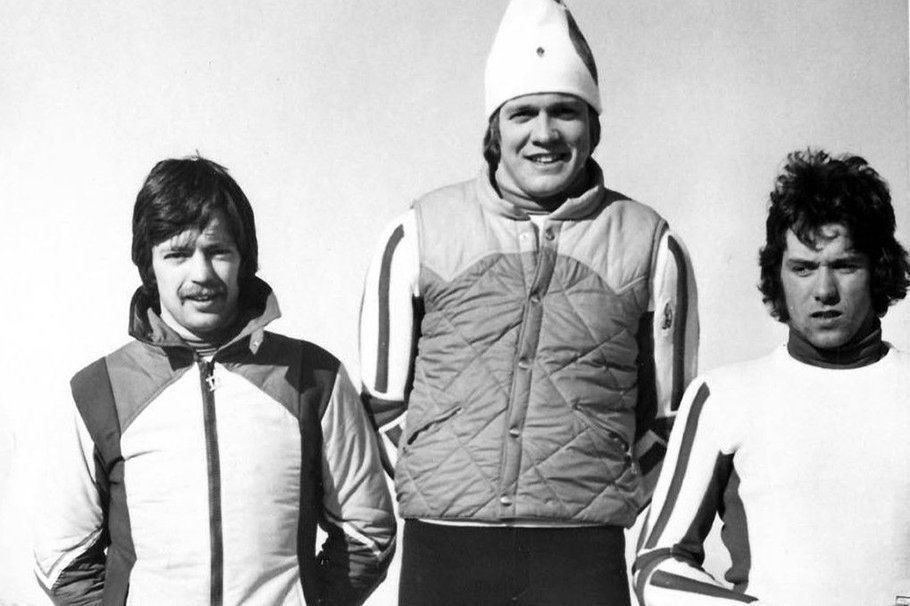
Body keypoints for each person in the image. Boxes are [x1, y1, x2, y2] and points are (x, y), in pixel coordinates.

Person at [358, 1, 698, 603]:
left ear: (592, 123)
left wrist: (604, 491)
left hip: (581, 557)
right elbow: (382, 402)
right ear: (495, 127)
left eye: (565, 111)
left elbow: (671, 417)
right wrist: (437, 478)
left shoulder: (652, 244)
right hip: (445, 551)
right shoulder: (420, 230)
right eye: (523, 113)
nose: (544, 134)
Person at [34, 156, 395, 605]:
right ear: (150, 264)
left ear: (244, 260)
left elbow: (367, 533)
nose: (201, 274)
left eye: (218, 251)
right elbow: (62, 559)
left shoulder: (314, 378)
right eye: (178, 254)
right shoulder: (98, 392)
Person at [634, 149, 910, 605]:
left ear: (878, 270)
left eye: (845, 265)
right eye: (803, 268)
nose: (824, 291)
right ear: (777, 275)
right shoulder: (723, 397)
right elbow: (656, 566)